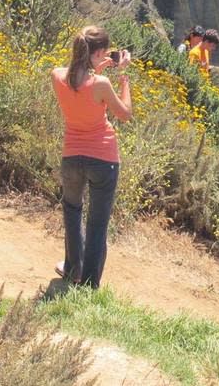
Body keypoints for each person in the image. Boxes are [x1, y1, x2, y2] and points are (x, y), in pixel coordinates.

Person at [50, 26, 132, 288]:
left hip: (72, 156)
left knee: (72, 213)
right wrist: (124, 76)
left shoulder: (57, 75)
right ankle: (88, 284)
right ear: (97, 53)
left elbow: (80, 91)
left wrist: (97, 70)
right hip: (103, 159)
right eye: (104, 52)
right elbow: (125, 113)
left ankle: (72, 270)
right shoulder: (102, 84)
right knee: (97, 222)